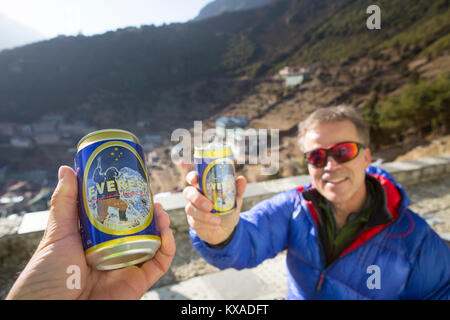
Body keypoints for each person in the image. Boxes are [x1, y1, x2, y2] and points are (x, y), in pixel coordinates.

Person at [183, 105, 450, 299]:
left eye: (343, 152)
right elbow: (248, 243)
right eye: (317, 157)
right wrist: (221, 235)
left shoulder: (416, 238)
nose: (330, 166)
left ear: (367, 158)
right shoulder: (293, 207)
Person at [7, 165, 175, 300]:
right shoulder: (102, 178)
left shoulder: (115, 179)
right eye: (114, 173)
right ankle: (113, 221)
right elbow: (95, 176)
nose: (115, 175)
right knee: (104, 215)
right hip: (105, 203)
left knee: (122, 207)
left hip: (113, 204)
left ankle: (122, 221)